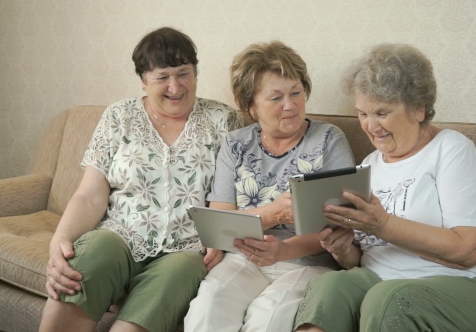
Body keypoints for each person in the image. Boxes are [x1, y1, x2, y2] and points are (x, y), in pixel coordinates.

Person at [294, 43, 476, 332]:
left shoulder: (451, 149)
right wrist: (341, 250)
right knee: (330, 287)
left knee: (388, 300)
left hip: (475, 286)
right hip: (384, 282)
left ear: (418, 110)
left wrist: (384, 224)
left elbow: (470, 250)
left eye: (382, 113)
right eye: (363, 113)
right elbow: (363, 259)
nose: (371, 126)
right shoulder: (368, 166)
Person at [39, 27, 243, 332]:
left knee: (179, 274)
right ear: (144, 81)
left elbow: (232, 194)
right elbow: (90, 195)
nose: (175, 86)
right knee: (85, 262)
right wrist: (60, 240)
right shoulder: (118, 116)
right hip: (121, 233)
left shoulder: (223, 120)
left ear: (196, 73)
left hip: (188, 247)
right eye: (162, 77)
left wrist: (220, 239)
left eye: (183, 73)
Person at [183, 41, 356, 332]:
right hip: (244, 258)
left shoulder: (328, 139)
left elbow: (339, 224)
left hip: (307, 262)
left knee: (269, 318)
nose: (290, 105)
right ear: (252, 107)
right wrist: (274, 213)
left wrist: (283, 251)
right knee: (208, 308)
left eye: (296, 93)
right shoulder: (236, 143)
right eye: (276, 98)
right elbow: (221, 223)